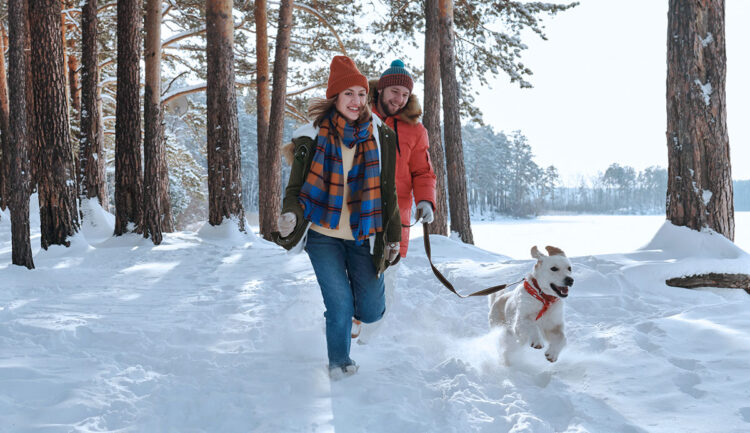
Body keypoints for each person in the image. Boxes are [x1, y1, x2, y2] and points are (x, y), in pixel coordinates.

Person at [272, 56, 401, 380]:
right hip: (322, 235)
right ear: (335, 98)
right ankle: (339, 362)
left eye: (361, 93)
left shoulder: (379, 135)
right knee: (339, 302)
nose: (357, 101)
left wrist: (393, 236)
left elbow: (389, 193)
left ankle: (357, 316)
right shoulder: (312, 138)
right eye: (348, 94)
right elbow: (296, 190)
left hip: (364, 234)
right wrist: (290, 215)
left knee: (371, 310)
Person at [355, 60, 437, 343]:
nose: (399, 99)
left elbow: (423, 171)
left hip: (395, 219)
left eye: (404, 94)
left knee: (385, 282)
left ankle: (367, 342)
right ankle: (345, 335)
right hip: (356, 214)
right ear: (381, 90)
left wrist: (426, 200)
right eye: (394, 91)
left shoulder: (415, 129)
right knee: (351, 274)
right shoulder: (360, 116)